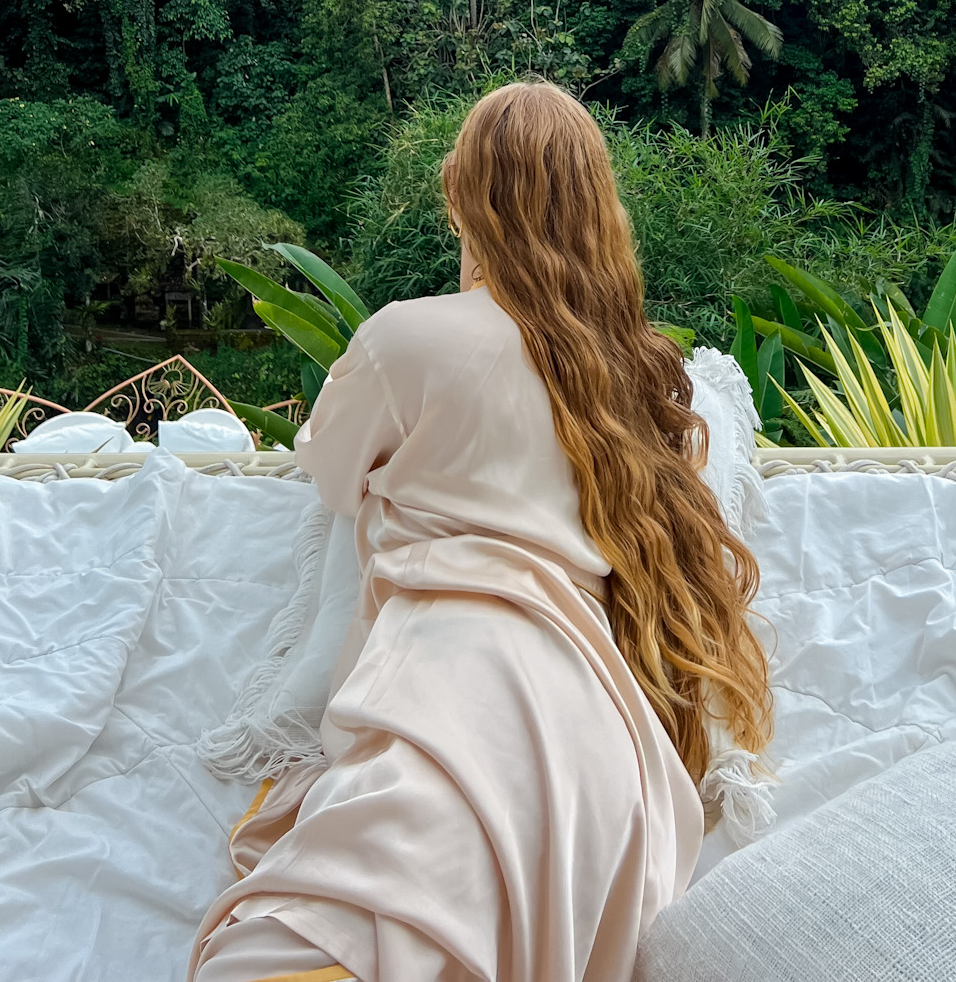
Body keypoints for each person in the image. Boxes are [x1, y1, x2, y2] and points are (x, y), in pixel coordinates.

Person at [190, 80, 771, 982]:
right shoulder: (629, 368)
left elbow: (333, 474)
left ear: (464, 195)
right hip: (608, 762)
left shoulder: (407, 340)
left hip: (456, 696)